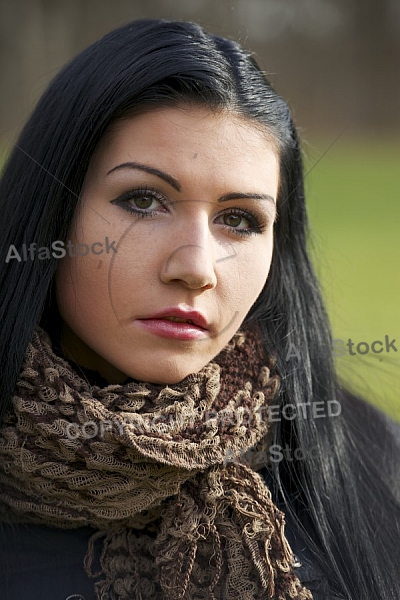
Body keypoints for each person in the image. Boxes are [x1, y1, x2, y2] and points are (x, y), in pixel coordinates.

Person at [0, 17, 399, 600]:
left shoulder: (374, 465)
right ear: (51, 213)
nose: (196, 267)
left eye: (239, 220)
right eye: (142, 200)